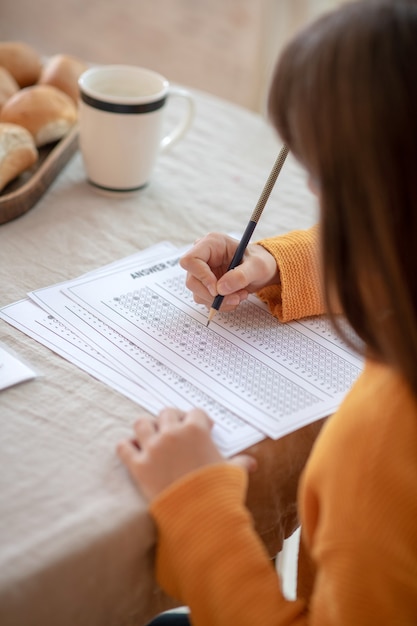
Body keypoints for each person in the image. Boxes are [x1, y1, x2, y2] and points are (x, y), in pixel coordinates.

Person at [117, 0, 417, 623]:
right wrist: (282, 268)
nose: (311, 191)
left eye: (324, 174)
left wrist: (197, 505)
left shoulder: (388, 446)